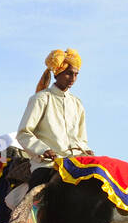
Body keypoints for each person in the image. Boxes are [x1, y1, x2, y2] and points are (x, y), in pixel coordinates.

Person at [15, 48, 92, 187]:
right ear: (57, 74)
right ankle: (31, 209)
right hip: (48, 163)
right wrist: (42, 149)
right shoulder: (41, 99)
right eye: (69, 74)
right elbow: (24, 133)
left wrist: (84, 149)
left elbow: (82, 138)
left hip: (76, 161)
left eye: (76, 74)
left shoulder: (77, 104)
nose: (73, 79)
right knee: (37, 194)